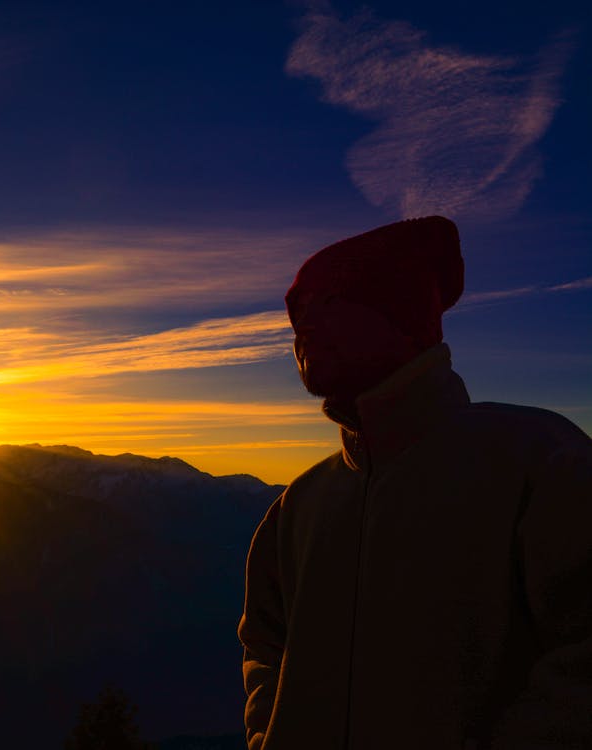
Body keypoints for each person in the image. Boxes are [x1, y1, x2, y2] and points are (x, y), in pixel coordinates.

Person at [238, 216, 592, 749]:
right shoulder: (299, 505)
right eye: (297, 312)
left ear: (401, 315)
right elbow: (265, 646)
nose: (302, 328)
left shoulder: (539, 462)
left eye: (327, 303)